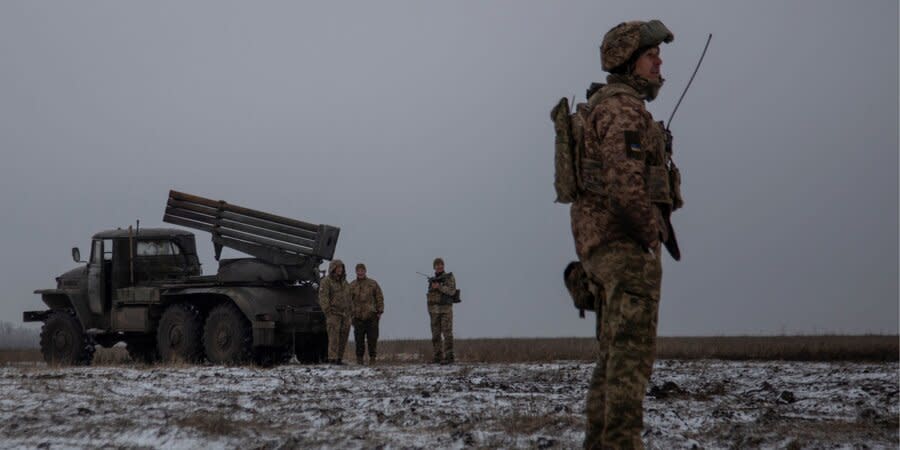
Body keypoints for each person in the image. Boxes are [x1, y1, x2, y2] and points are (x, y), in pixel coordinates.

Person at [569, 20, 683, 449]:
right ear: (628, 60)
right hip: (623, 250)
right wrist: (649, 233)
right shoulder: (622, 109)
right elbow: (624, 183)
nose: (660, 62)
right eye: (651, 55)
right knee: (630, 364)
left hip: (602, 249)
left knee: (612, 360)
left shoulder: (605, 105)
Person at [349, 263, 384, 365]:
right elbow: (348, 301)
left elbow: (379, 297)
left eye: (362, 270)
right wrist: (351, 315)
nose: (360, 272)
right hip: (358, 317)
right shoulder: (352, 285)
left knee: (372, 339)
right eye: (358, 270)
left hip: (371, 316)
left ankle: (372, 359)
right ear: (356, 272)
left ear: (365, 271)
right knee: (359, 340)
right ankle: (359, 360)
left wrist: (379, 311)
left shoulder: (372, 284)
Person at [318, 259, 351, 365]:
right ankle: (332, 359)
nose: (340, 270)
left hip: (345, 314)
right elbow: (323, 298)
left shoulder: (345, 283)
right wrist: (328, 312)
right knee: (334, 338)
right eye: (338, 268)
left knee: (343, 337)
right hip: (333, 314)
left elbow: (349, 297)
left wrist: (350, 311)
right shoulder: (326, 281)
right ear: (333, 268)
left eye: (341, 267)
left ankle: (339, 358)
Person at [426, 257, 456, 364]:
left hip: (446, 310)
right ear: (434, 267)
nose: (439, 266)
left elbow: (452, 291)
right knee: (435, 335)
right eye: (437, 265)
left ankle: (449, 357)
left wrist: (439, 287)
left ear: (443, 266)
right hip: (434, 311)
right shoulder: (432, 280)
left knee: (447, 333)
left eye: (441, 264)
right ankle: (437, 356)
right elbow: (430, 296)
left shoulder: (449, 277)